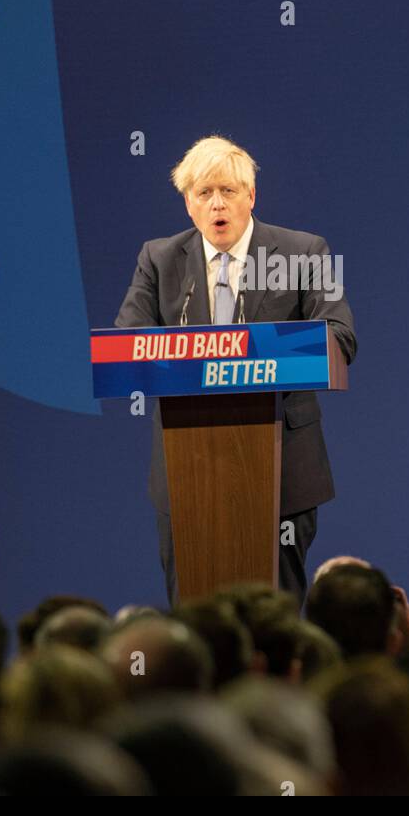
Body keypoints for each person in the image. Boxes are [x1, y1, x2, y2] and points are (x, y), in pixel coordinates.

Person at [115, 136, 357, 608]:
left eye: (228, 190)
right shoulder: (159, 259)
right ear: (188, 204)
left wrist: (252, 353)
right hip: (187, 474)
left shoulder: (303, 252)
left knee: (276, 617)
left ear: (251, 196)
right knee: (194, 620)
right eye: (204, 193)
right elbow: (128, 349)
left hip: (283, 470)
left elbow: (340, 338)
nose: (217, 204)